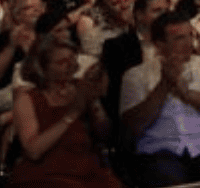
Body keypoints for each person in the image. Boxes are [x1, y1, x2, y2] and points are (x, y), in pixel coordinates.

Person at [118, 10, 200, 187]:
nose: (189, 43)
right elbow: (133, 127)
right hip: (161, 150)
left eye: (191, 36)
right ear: (159, 44)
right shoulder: (136, 75)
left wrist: (188, 94)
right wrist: (164, 85)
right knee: (166, 179)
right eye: (179, 38)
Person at [8, 34, 124, 188]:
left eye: (73, 60)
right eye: (62, 62)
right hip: (45, 175)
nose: (71, 66)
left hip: (86, 171)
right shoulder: (28, 98)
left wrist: (94, 101)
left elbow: (104, 135)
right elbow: (33, 151)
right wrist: (71, 115)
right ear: (42, 67)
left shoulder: (81, 87)